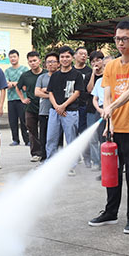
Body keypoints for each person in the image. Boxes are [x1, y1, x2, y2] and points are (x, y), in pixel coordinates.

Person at [88, 20, 129, 234]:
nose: (120, 43)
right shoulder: (112, 65)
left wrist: (111, 107)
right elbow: (107, 92)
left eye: (125, 38)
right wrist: (109, 121)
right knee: (111, 173)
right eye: (117, 39)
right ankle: (110, 212)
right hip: (113, 129)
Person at [46, 46, 85, 176]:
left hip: (71, 112)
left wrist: (63, 105)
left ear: (72, 58)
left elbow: (77, 92)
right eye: (62, 57)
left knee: (71, 139)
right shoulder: (55, 75)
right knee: (51, 138)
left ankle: (71, 165)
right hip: (54, 111)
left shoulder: (77, 75)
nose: (65, 59)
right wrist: (57, 106)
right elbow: (50, 92)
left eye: (67, 56)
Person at [18, 51, 44, 162]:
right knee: (32, 131)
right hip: (30, 107)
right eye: (30, 61)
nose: (33, 63)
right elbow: (17, 88)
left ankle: (45, 152)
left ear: (39, 61)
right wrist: (23, 99)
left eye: (35, 60)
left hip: (44, 108)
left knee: (44, 131)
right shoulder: (25, 75)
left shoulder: (46, 74)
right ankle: (35, 153)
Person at [35, 52, 59, 162]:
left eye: (53, 61)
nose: (50, 64)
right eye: (48, 62)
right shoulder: (42, 77)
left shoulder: (60, 76)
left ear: (58, 64)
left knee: (58, 137)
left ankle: (57, 158)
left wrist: (46, 91)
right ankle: (44, 157)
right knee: (43, 136)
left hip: (58, 111)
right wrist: (50, 95)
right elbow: (37, 92)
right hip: (44, 111)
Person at [86, 51, 107, 170]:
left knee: (103, 136)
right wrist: (93, 74)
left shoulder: (109, 74)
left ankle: (105, 161)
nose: (96, 63)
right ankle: (96, 161)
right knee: (93, 137)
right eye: (93, 61)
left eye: (98, 60)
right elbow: (90, 90)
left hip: (106, 108)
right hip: (92, 109)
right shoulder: (92, 76)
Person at [5, 50, 29, 147]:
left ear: (18, 57)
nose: (13, 59)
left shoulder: (24, 69)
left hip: (22, 99)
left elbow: (26, 84)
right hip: (11, 99)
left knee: (24, 120)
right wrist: (18, 83)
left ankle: (27, 140)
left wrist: (14, 83)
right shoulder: (7, 71)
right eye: (11, 57)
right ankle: (15, 140)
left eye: (14, 56)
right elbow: (6, 84)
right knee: (13, 121)